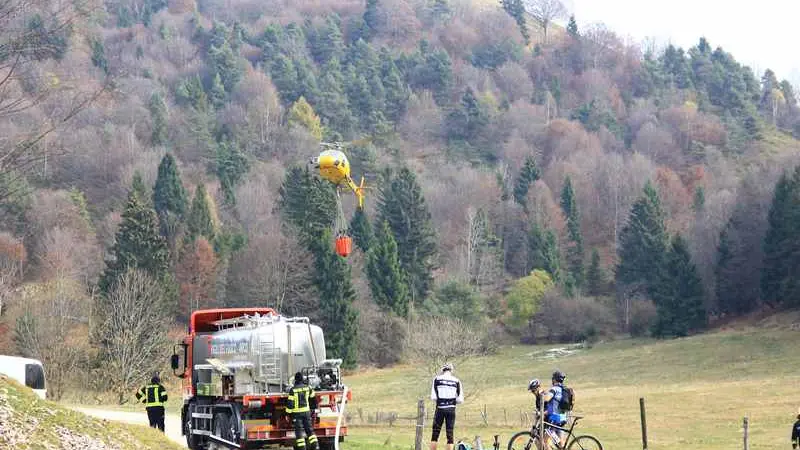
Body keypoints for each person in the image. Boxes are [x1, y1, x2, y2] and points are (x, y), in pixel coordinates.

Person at [430, 362, 464, 450]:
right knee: (450, 434)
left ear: (442, 370)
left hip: (440, 409)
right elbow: (460, 399)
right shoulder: (457, 381)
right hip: (451, 410)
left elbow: (433, 397)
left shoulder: (436, 379)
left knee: (435, 433)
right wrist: (452, 401)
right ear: (451, 370)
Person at [286, 372, 318, 450]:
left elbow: (290, 403)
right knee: (309, 430)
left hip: (297, 414)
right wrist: (313, 408)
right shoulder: (308, 388)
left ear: (295, 380)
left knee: (299, 433)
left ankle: (302, 448)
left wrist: (288, 414)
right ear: (302, 379)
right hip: (307, 413)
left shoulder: (293, 390)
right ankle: (315, 446)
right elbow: (313, 398)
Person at [541, 370, 569, 448]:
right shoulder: (564, 390)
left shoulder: (554, 389)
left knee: (545, 441)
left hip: (554, 419)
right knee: (561, 444)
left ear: (554, 379)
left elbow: (546, 399)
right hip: (562, 418)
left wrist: (542, 395)